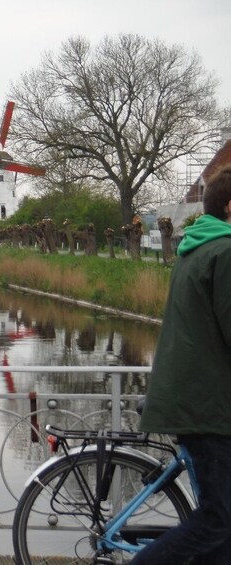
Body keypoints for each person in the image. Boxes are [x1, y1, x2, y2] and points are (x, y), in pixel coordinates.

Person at [134, 164, 231, 564]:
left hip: (192, 395)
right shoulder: (225, 252)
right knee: (218, 519)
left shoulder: (196, 246)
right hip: (206, 406)